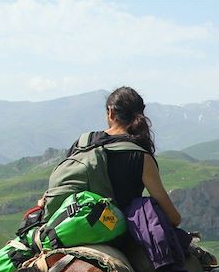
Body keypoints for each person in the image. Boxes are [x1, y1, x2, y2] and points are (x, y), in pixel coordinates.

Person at [38, 86, 181, 228]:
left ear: (111, 112)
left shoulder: (84, 143)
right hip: (113, 231)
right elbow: (173, 218)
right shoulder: (141, 157)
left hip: (64, 225)